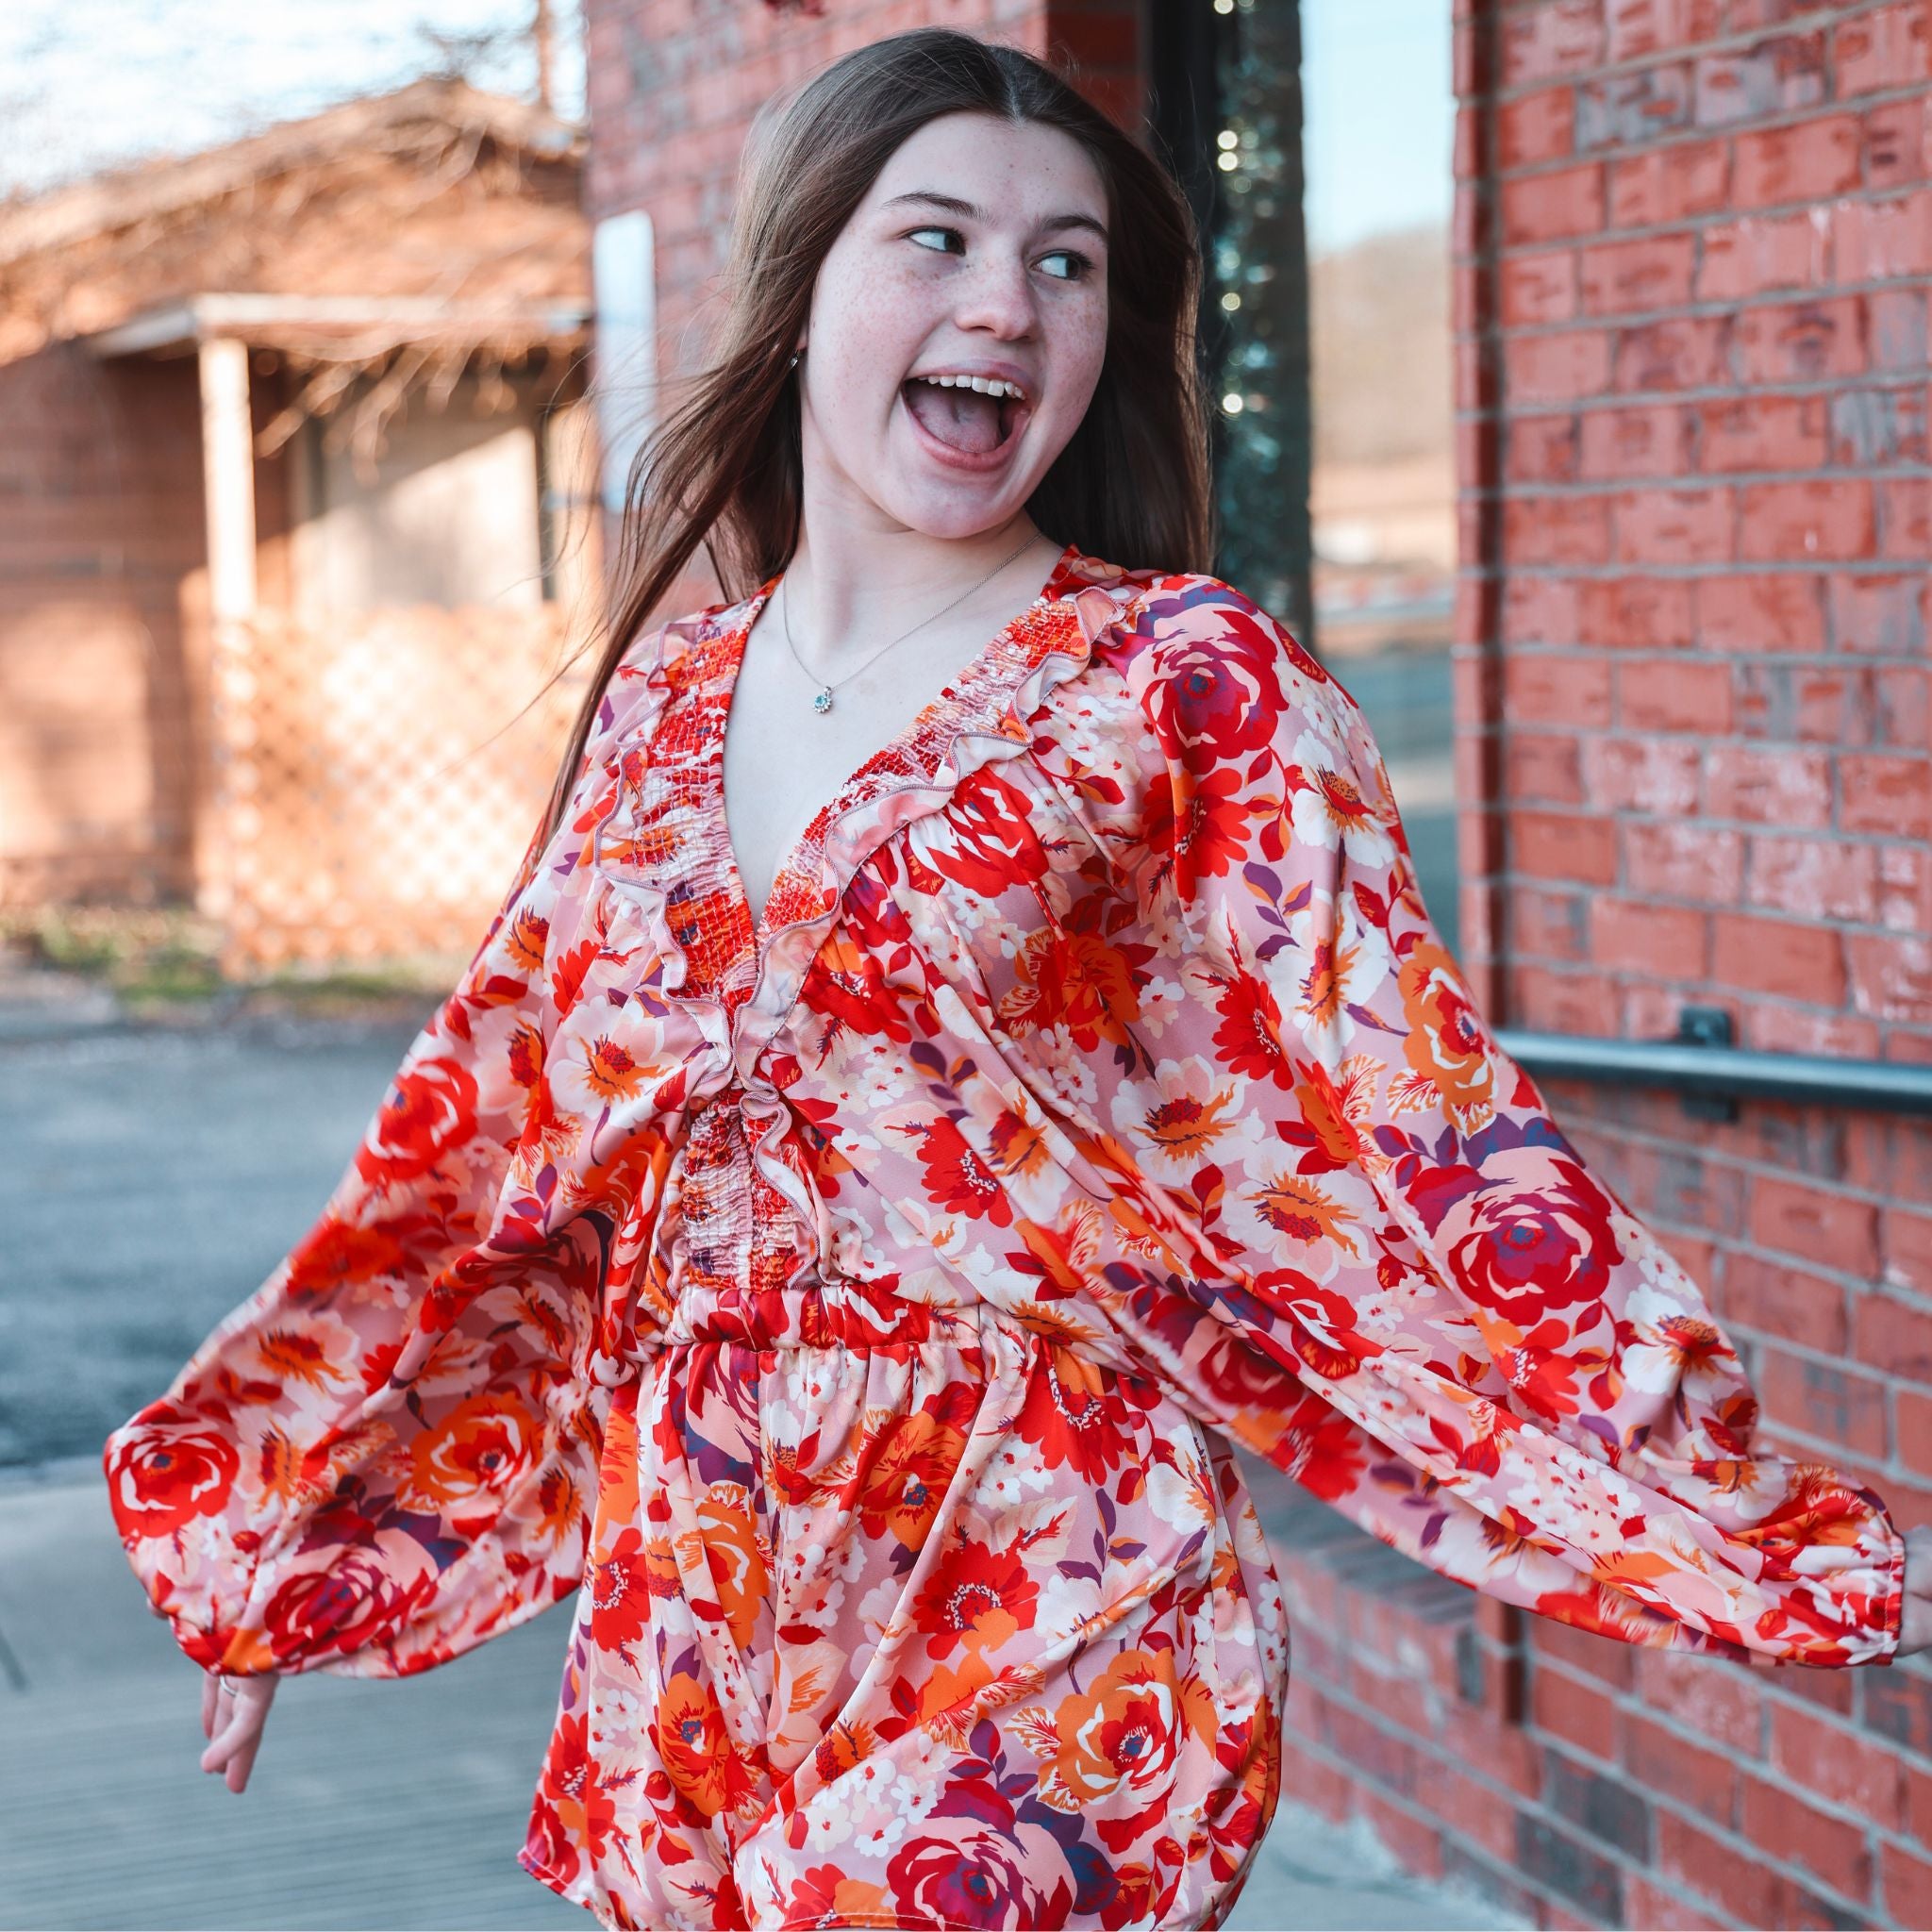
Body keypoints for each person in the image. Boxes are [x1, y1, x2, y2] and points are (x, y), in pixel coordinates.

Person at [103, 25, 1932, 1932]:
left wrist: (1709, 1501)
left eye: (1068, 262)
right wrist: (296, 1527)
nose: (1008, 300)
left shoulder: (1184, 686)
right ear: (805, 283)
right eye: (941, 239)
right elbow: (491, 1153)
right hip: (705, 1582)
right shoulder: (667, 702)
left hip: (1048, 1553)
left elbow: (1426, 1124)